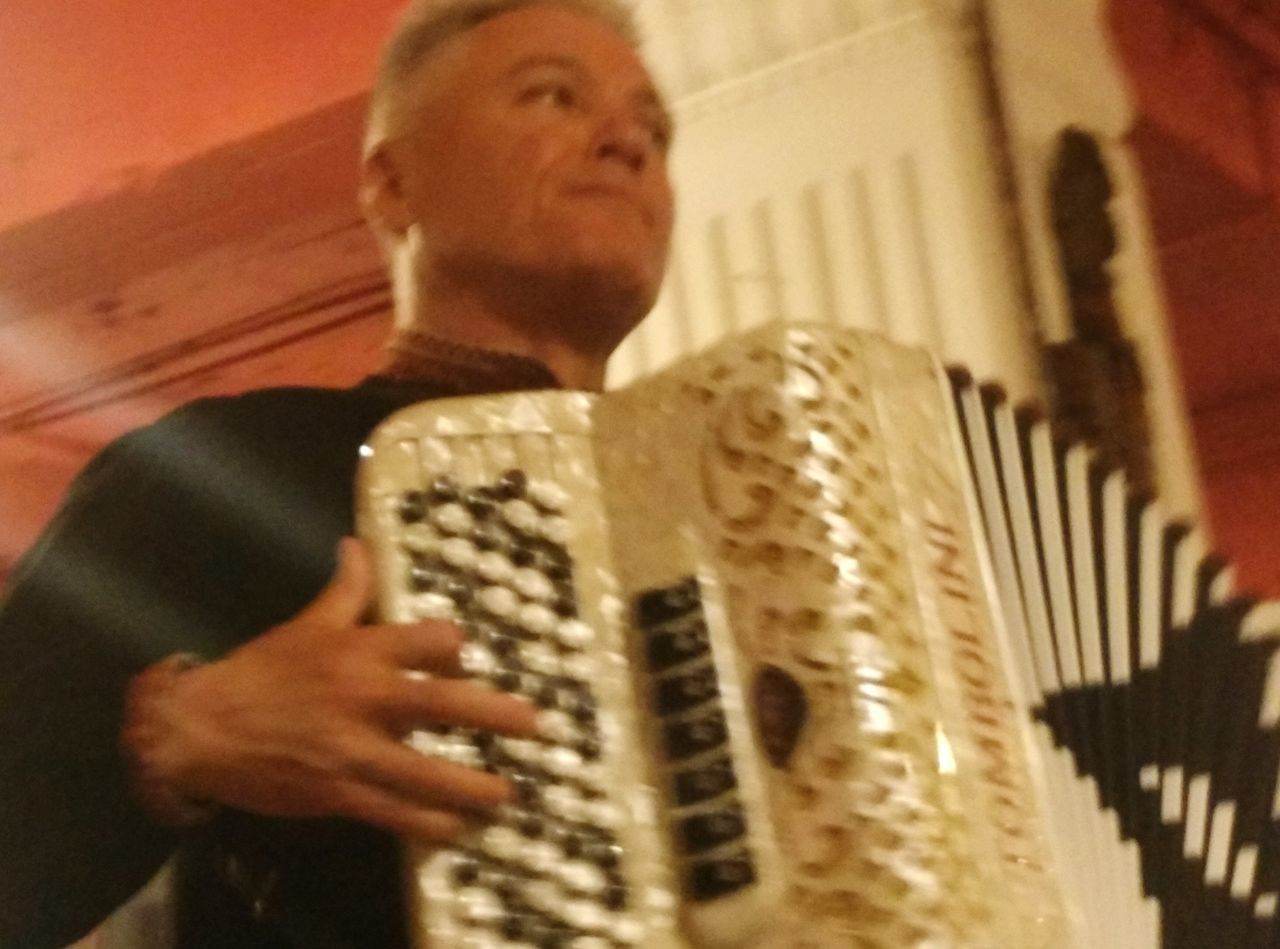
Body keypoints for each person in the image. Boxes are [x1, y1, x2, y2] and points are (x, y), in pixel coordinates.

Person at [0, 0, 675, 945]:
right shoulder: (219, 471)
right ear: (394, 186)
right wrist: (183, 732)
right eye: (554, 97)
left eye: (654, 129)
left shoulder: (711, 501)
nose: (625, 143)